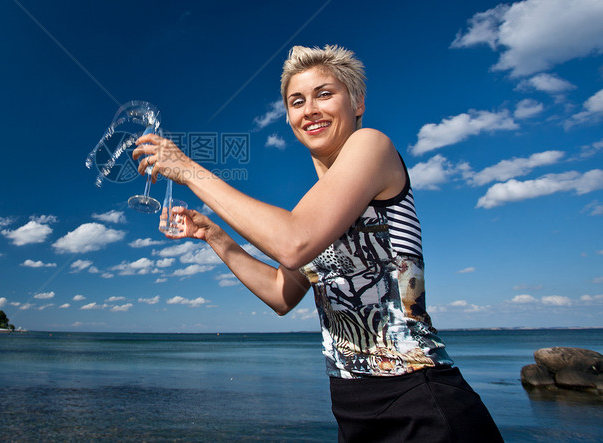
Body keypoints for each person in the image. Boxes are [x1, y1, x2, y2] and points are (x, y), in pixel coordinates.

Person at [133, 45, 503, 442]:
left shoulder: (371, 146)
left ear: (357, 102)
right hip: (352, 405)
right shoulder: (314, 206)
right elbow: (281, 295)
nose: (309, 109)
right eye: (297, 101)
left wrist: (188, 170)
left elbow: (293, 242)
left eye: (324, 94)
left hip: (419, 397)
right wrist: (213, 235)